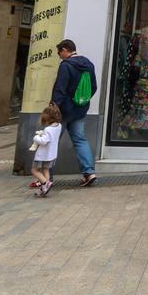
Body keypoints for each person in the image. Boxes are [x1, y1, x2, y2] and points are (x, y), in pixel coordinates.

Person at [51, 38, 98, 187]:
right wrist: (82, 101)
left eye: (59, 52)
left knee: (52, 141)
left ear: (65, 49)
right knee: (80, 139)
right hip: (79, 109)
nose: (59, 56)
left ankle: (46, 177)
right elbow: (94, 87)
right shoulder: (89, 64)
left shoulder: (66, 65)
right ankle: (89, 172)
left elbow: (60, 88)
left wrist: (54, 106)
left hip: (63, 110)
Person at [29, 104, 62, 197]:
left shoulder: (48, 129)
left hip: (43, 155)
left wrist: (36, 137)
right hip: (51, 155)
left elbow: (44, 141)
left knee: (34, 170)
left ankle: (45, 183)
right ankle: (44, 189)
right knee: (45, 170)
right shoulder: (59, 126)